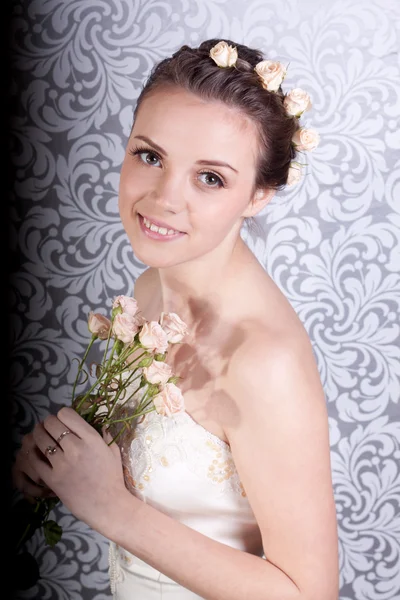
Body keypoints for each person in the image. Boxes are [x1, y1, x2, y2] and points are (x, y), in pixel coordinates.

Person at [12, 38, 339, 600]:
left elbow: (309, 593)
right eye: (150, 155)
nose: (164, 198)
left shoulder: (263, 362)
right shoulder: (152, 287)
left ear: (259, 194)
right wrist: (60, 462)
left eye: (210, 177)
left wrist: (110, 509)